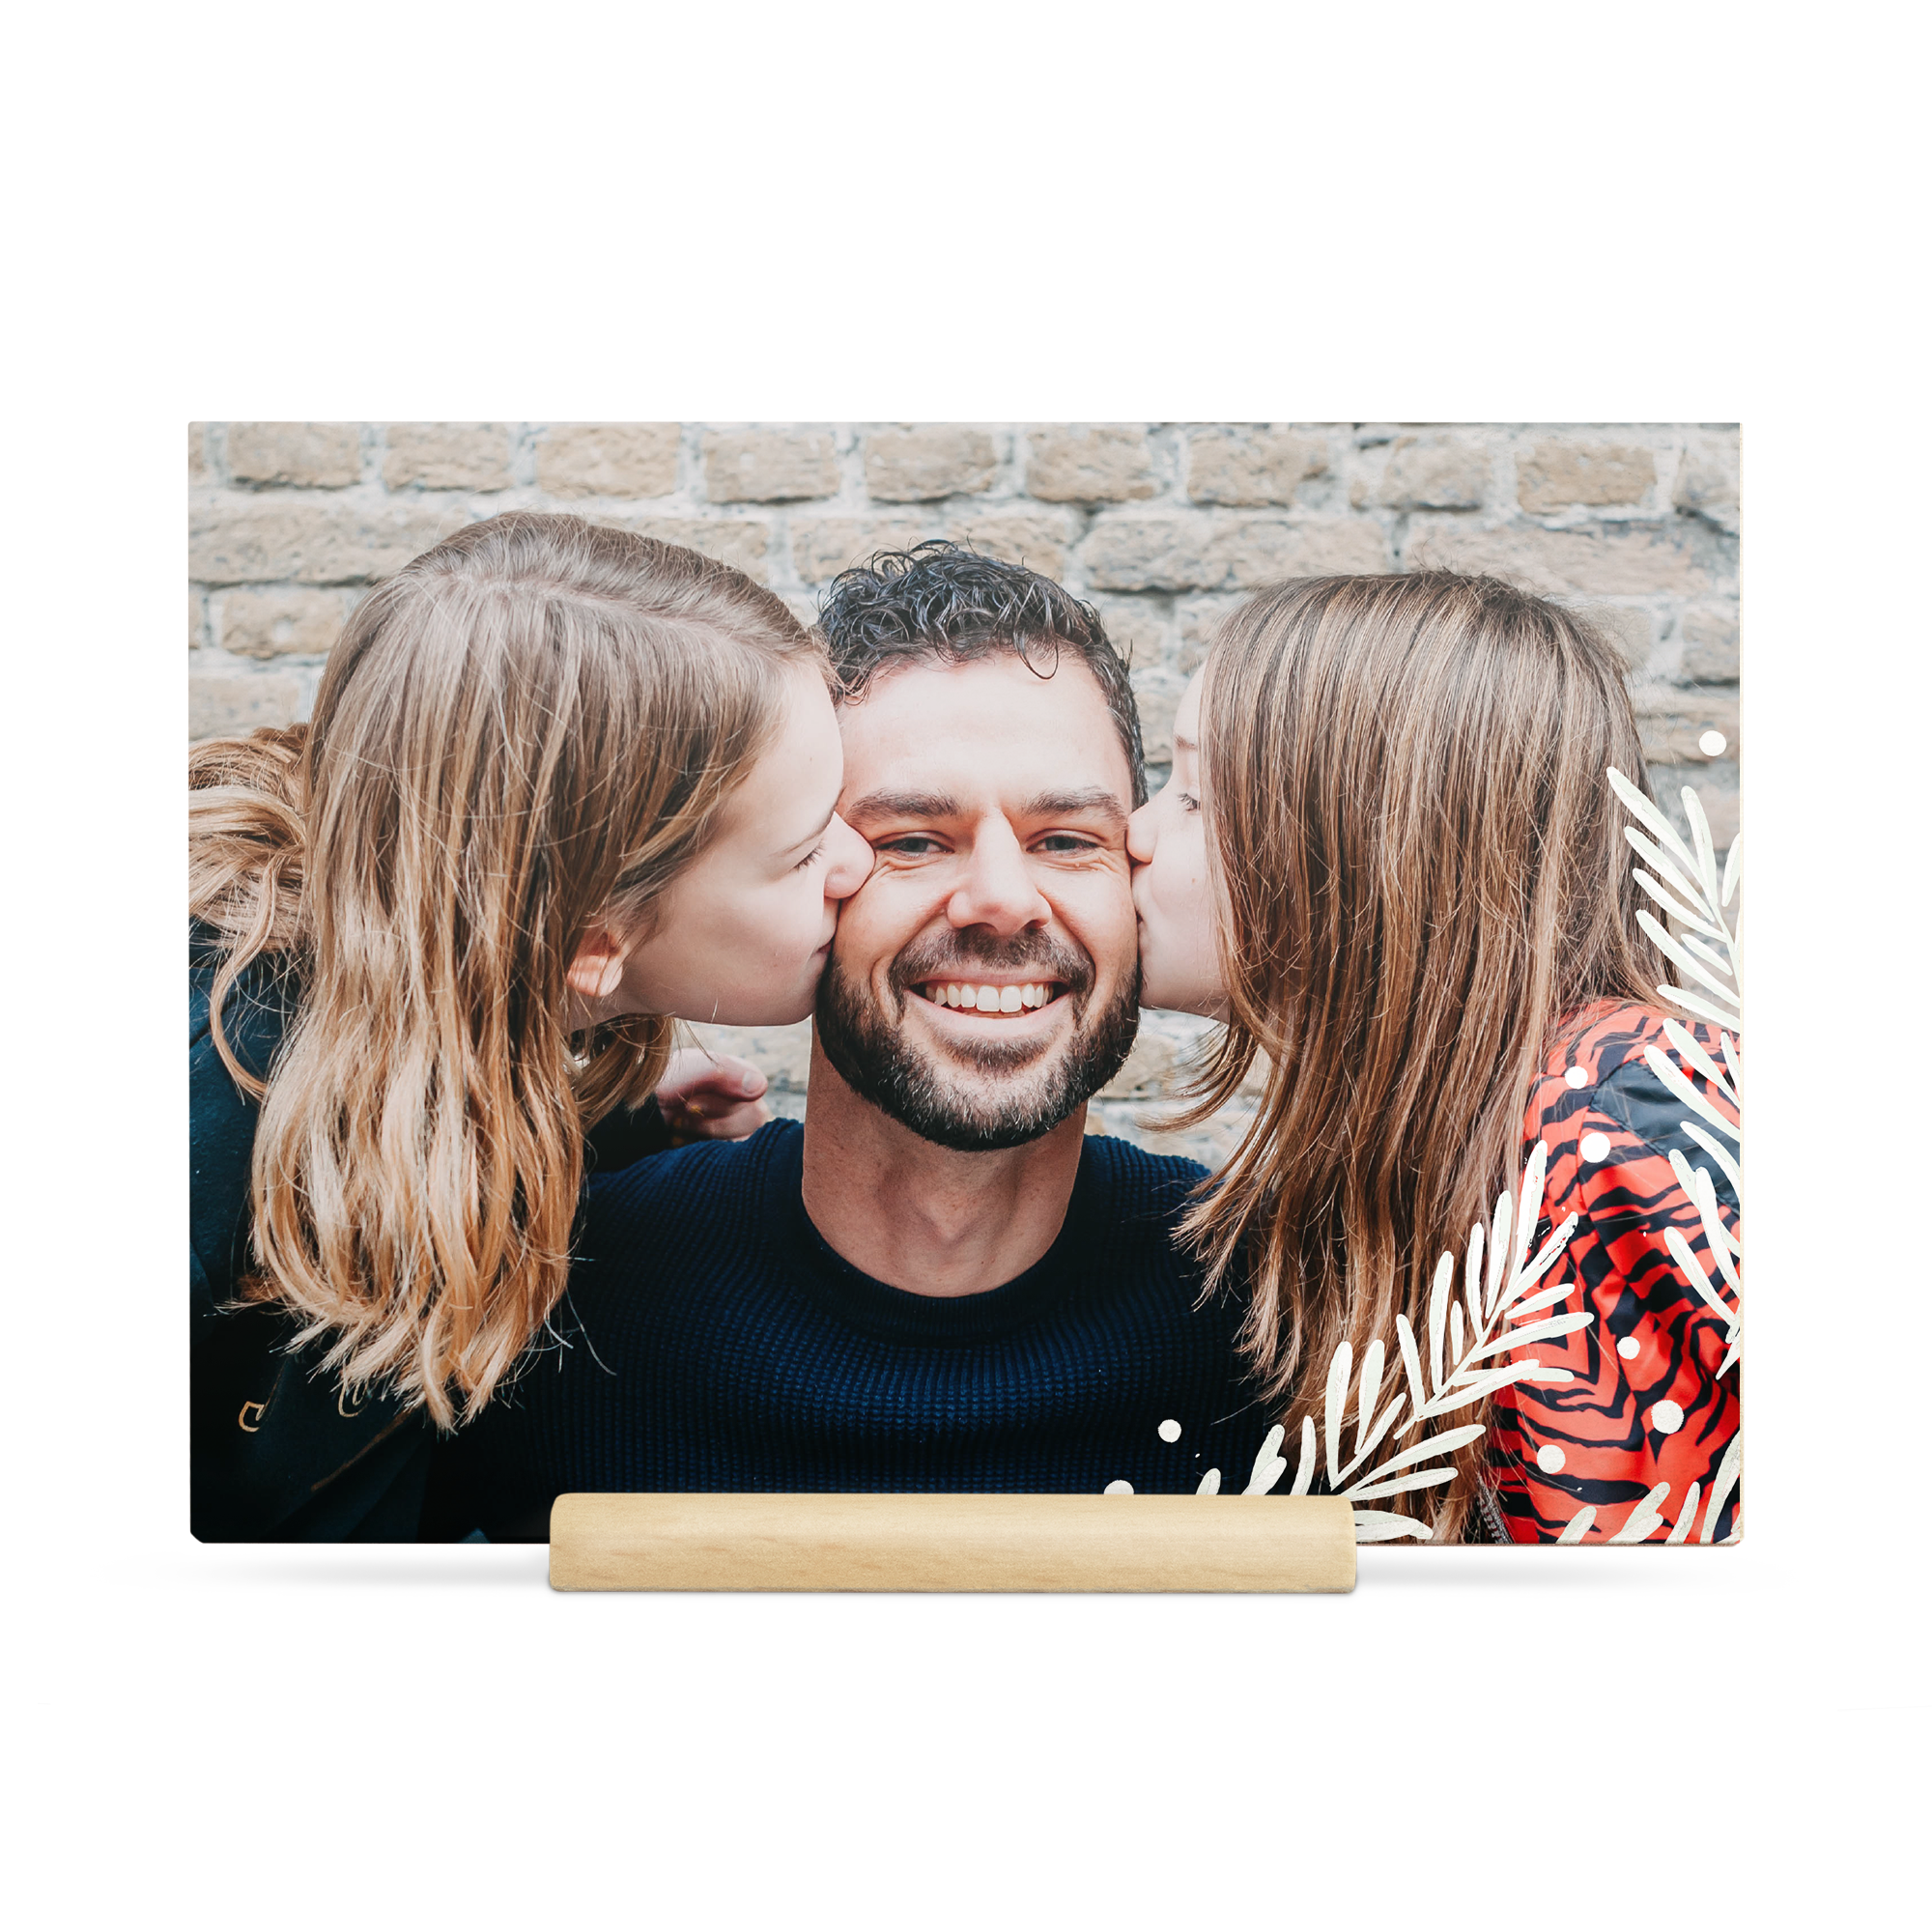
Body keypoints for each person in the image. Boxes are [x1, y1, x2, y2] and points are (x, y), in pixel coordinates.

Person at [425, 543, 1273, 1539]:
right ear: (807, 874)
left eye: (1066, 839)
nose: (1001, 900)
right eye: (910, 839)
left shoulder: (1290, 1321)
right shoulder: (535, 1294)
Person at [189, 512, 873, 1541]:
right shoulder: (216, 1100)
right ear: (592, 938)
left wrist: (609, 1142)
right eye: (802, 848)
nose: (857, 862)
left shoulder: (440, 1000)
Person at [1126, 570, 1742, 1544]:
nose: (1134, 834)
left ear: (1358, 842)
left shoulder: (1618, 1106)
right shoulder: (1427, 1160)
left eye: (1194, 796)